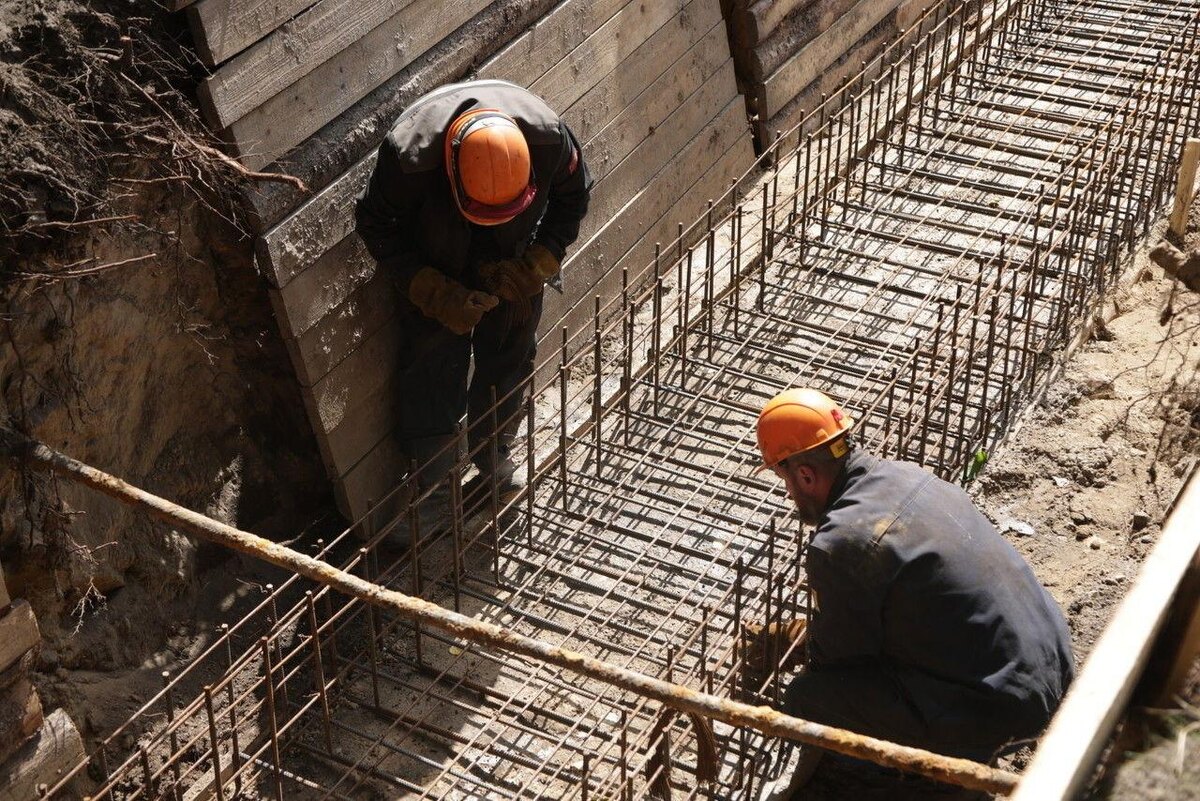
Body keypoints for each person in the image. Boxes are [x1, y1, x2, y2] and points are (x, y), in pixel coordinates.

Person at [749, 388, 1075, 797]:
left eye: (785, 480)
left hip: (1002, 708)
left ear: (806, 474)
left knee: (810, 697)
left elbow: (842, 661)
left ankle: (922, 781)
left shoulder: (841, 542)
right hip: (1053, 658)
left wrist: (796, 642)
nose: (789, 493)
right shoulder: (909, 475)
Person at [355, 80, 591, 524]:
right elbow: (374, 225)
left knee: (514, 344)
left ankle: (495, 450)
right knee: (433, 357)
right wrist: (431, 290)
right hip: (436, 252)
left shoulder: (548, 140)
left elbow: (573, 198)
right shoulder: (409, 160)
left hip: (512, 250)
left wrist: (539, 261)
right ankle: (434, 483)